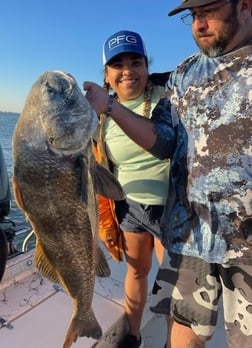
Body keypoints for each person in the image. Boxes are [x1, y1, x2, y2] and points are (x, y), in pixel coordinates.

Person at [84, 1, 252, 346]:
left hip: (246, 245)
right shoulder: (185, 74)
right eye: (193, 16)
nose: (199, 24)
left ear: (245, 7)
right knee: (182, 328)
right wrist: (111, 107)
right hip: (191, 237)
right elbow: (162, 141)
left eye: (209, 12)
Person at [91, 30, 171, 348]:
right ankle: (133, 335)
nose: (128, 71)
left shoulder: (169, 95)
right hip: (130, 206)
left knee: (172, 281)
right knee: (137, 273)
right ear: (107, 76)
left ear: (147, 67)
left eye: (135, 61)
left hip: (172, 206)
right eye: (118, 64)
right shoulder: (97, 116)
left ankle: (172, 340)